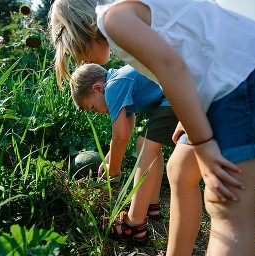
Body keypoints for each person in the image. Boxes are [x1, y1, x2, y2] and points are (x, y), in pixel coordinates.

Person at [50, 0, 255, 254]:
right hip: (223, 81)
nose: (79, 59)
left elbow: (171, 67)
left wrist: (204, 144)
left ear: (75, 30)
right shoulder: (128, 17)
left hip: (244, 74)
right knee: (180, 170)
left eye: (71, 51)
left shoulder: (113, 19)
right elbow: (186, 52)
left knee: (228, 206)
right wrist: (187, 118)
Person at [72, 63, 178, 245]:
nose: (97, 112)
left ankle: (134, 225)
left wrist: (113, 172)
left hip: (179, 94)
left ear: (98, 88)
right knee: (149, 145)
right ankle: (151, 205)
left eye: (92, 107)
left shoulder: (114, 85)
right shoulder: (119, 86)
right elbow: (125, 133)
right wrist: (108, 159)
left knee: (145, 144)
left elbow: (119, 137)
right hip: (177, 92)